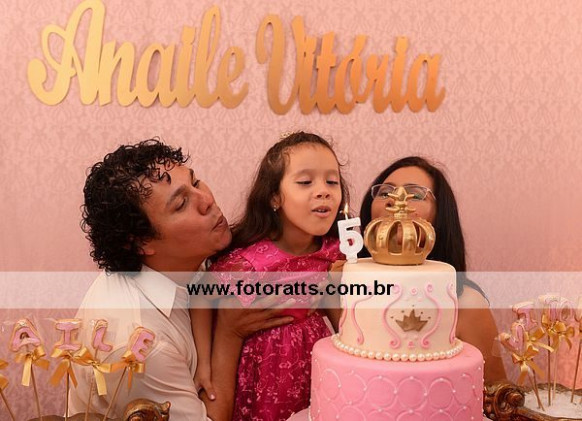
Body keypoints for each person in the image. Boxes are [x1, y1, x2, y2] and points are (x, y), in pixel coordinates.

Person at [69, 139, 294, 421]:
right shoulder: (139, 345)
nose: (207, 199)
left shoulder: (183, 260)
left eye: (195, 182)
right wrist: (229, 333)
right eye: (181, 203)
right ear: (141, 243)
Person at [191, 132, 347, 421]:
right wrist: (204, 363)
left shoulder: (334, 254)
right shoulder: (249, 264)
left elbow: (343, 317)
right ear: (274, 197)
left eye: (332, 181)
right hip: (264, 376)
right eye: (305, 182)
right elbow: (201, 297)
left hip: (316, 369)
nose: (323, 191)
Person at [358, 156, 507, 382]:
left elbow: (496, 392)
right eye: (385, 192)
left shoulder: (465, 302)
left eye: (415, 195)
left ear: (439, 215)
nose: (396, 201)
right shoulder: (349, 284)